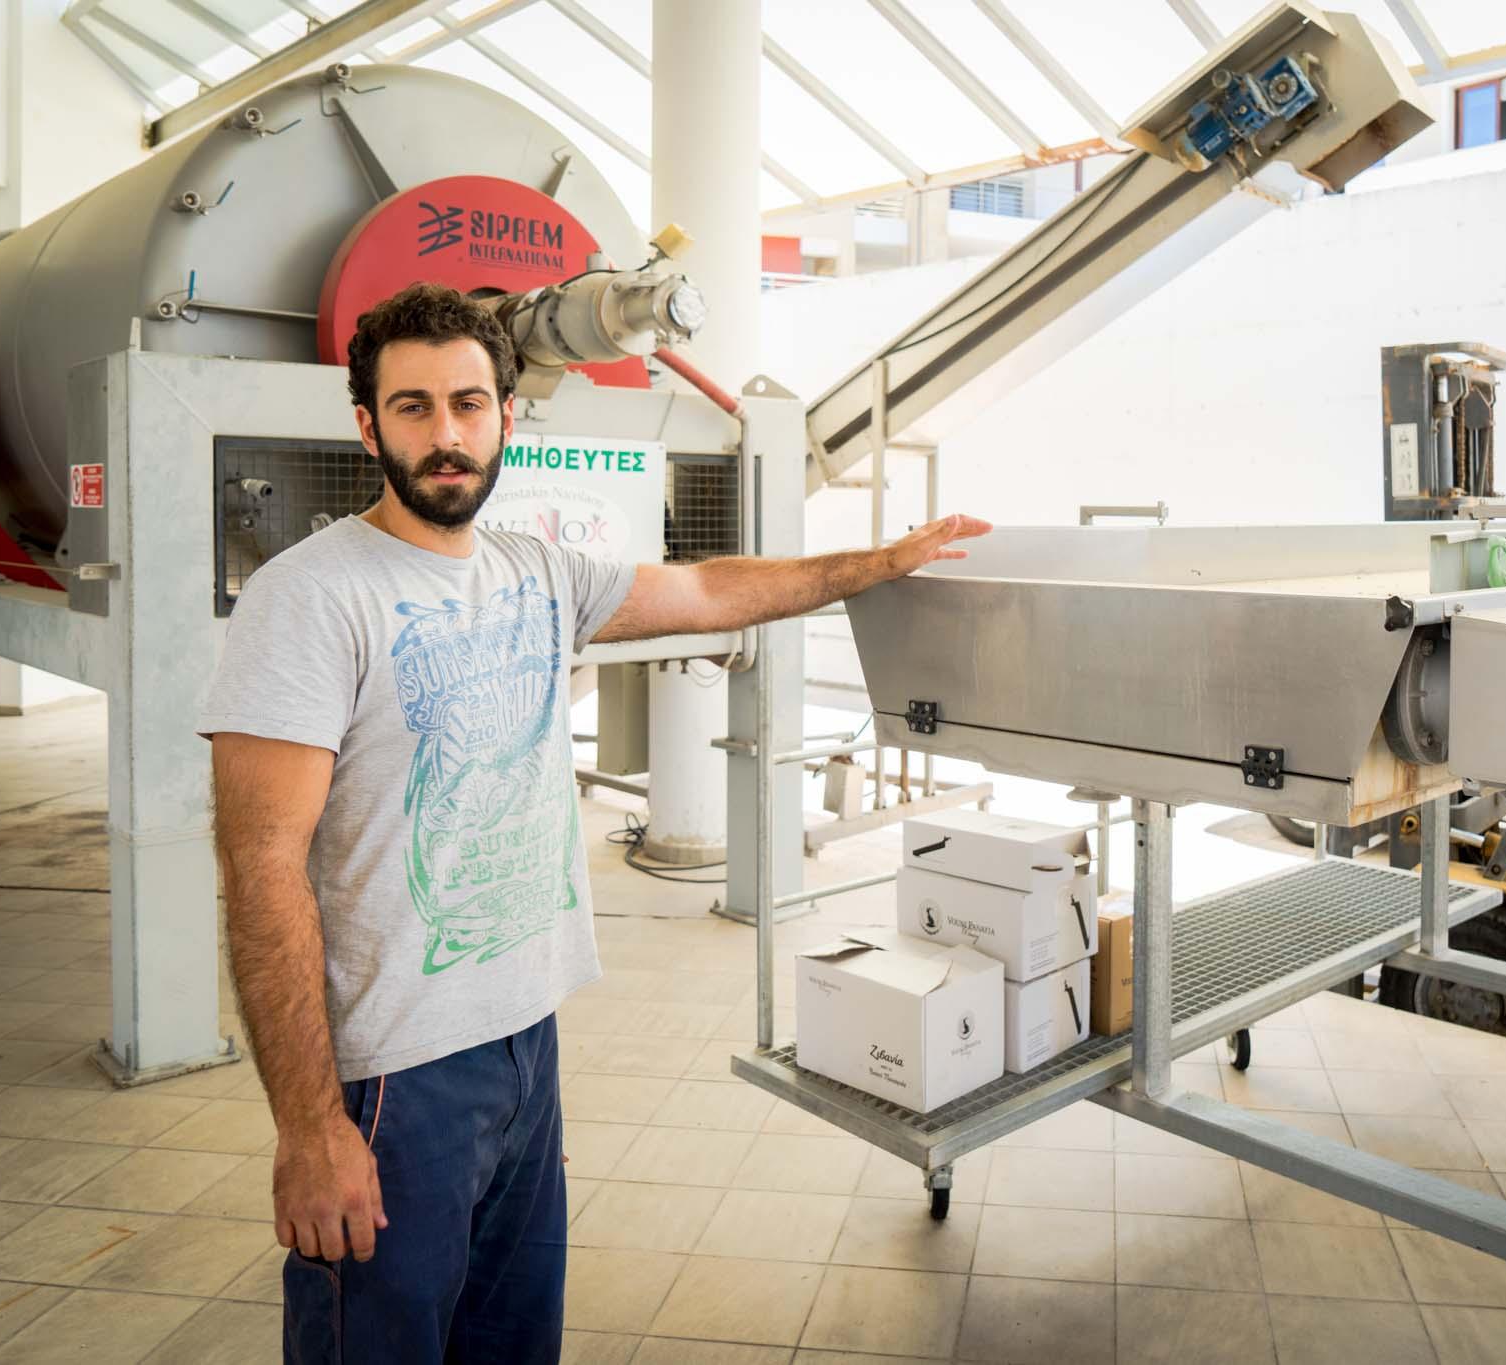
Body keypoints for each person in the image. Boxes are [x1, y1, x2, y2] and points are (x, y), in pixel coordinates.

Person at [198, 282, 989, 1362]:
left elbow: (711, 591)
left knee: (514, 1343)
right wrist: (307, 1126)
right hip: (394, 1071)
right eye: (415, 407)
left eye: (469, 406)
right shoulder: (311, 597)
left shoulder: (535, 572)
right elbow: (260, 867)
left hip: (525, 1042)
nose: (447, 436)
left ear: (506, 420)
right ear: (367, 424)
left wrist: (874, 565)